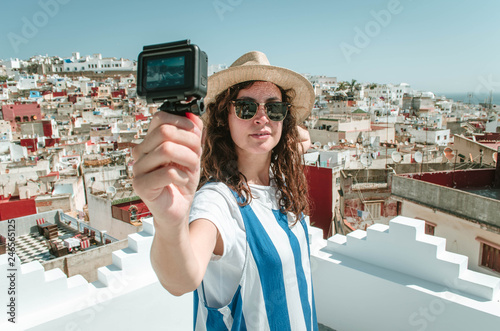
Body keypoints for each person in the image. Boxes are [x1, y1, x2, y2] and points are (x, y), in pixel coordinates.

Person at [132, 51, 318, 330]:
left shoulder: (280, 183)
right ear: (224, 117)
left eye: (274, 108)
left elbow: (301, 138)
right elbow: (181, 278)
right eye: (246, 108)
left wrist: (286, 138)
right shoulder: (219, 200)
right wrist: (169, 223)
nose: (262, 118)